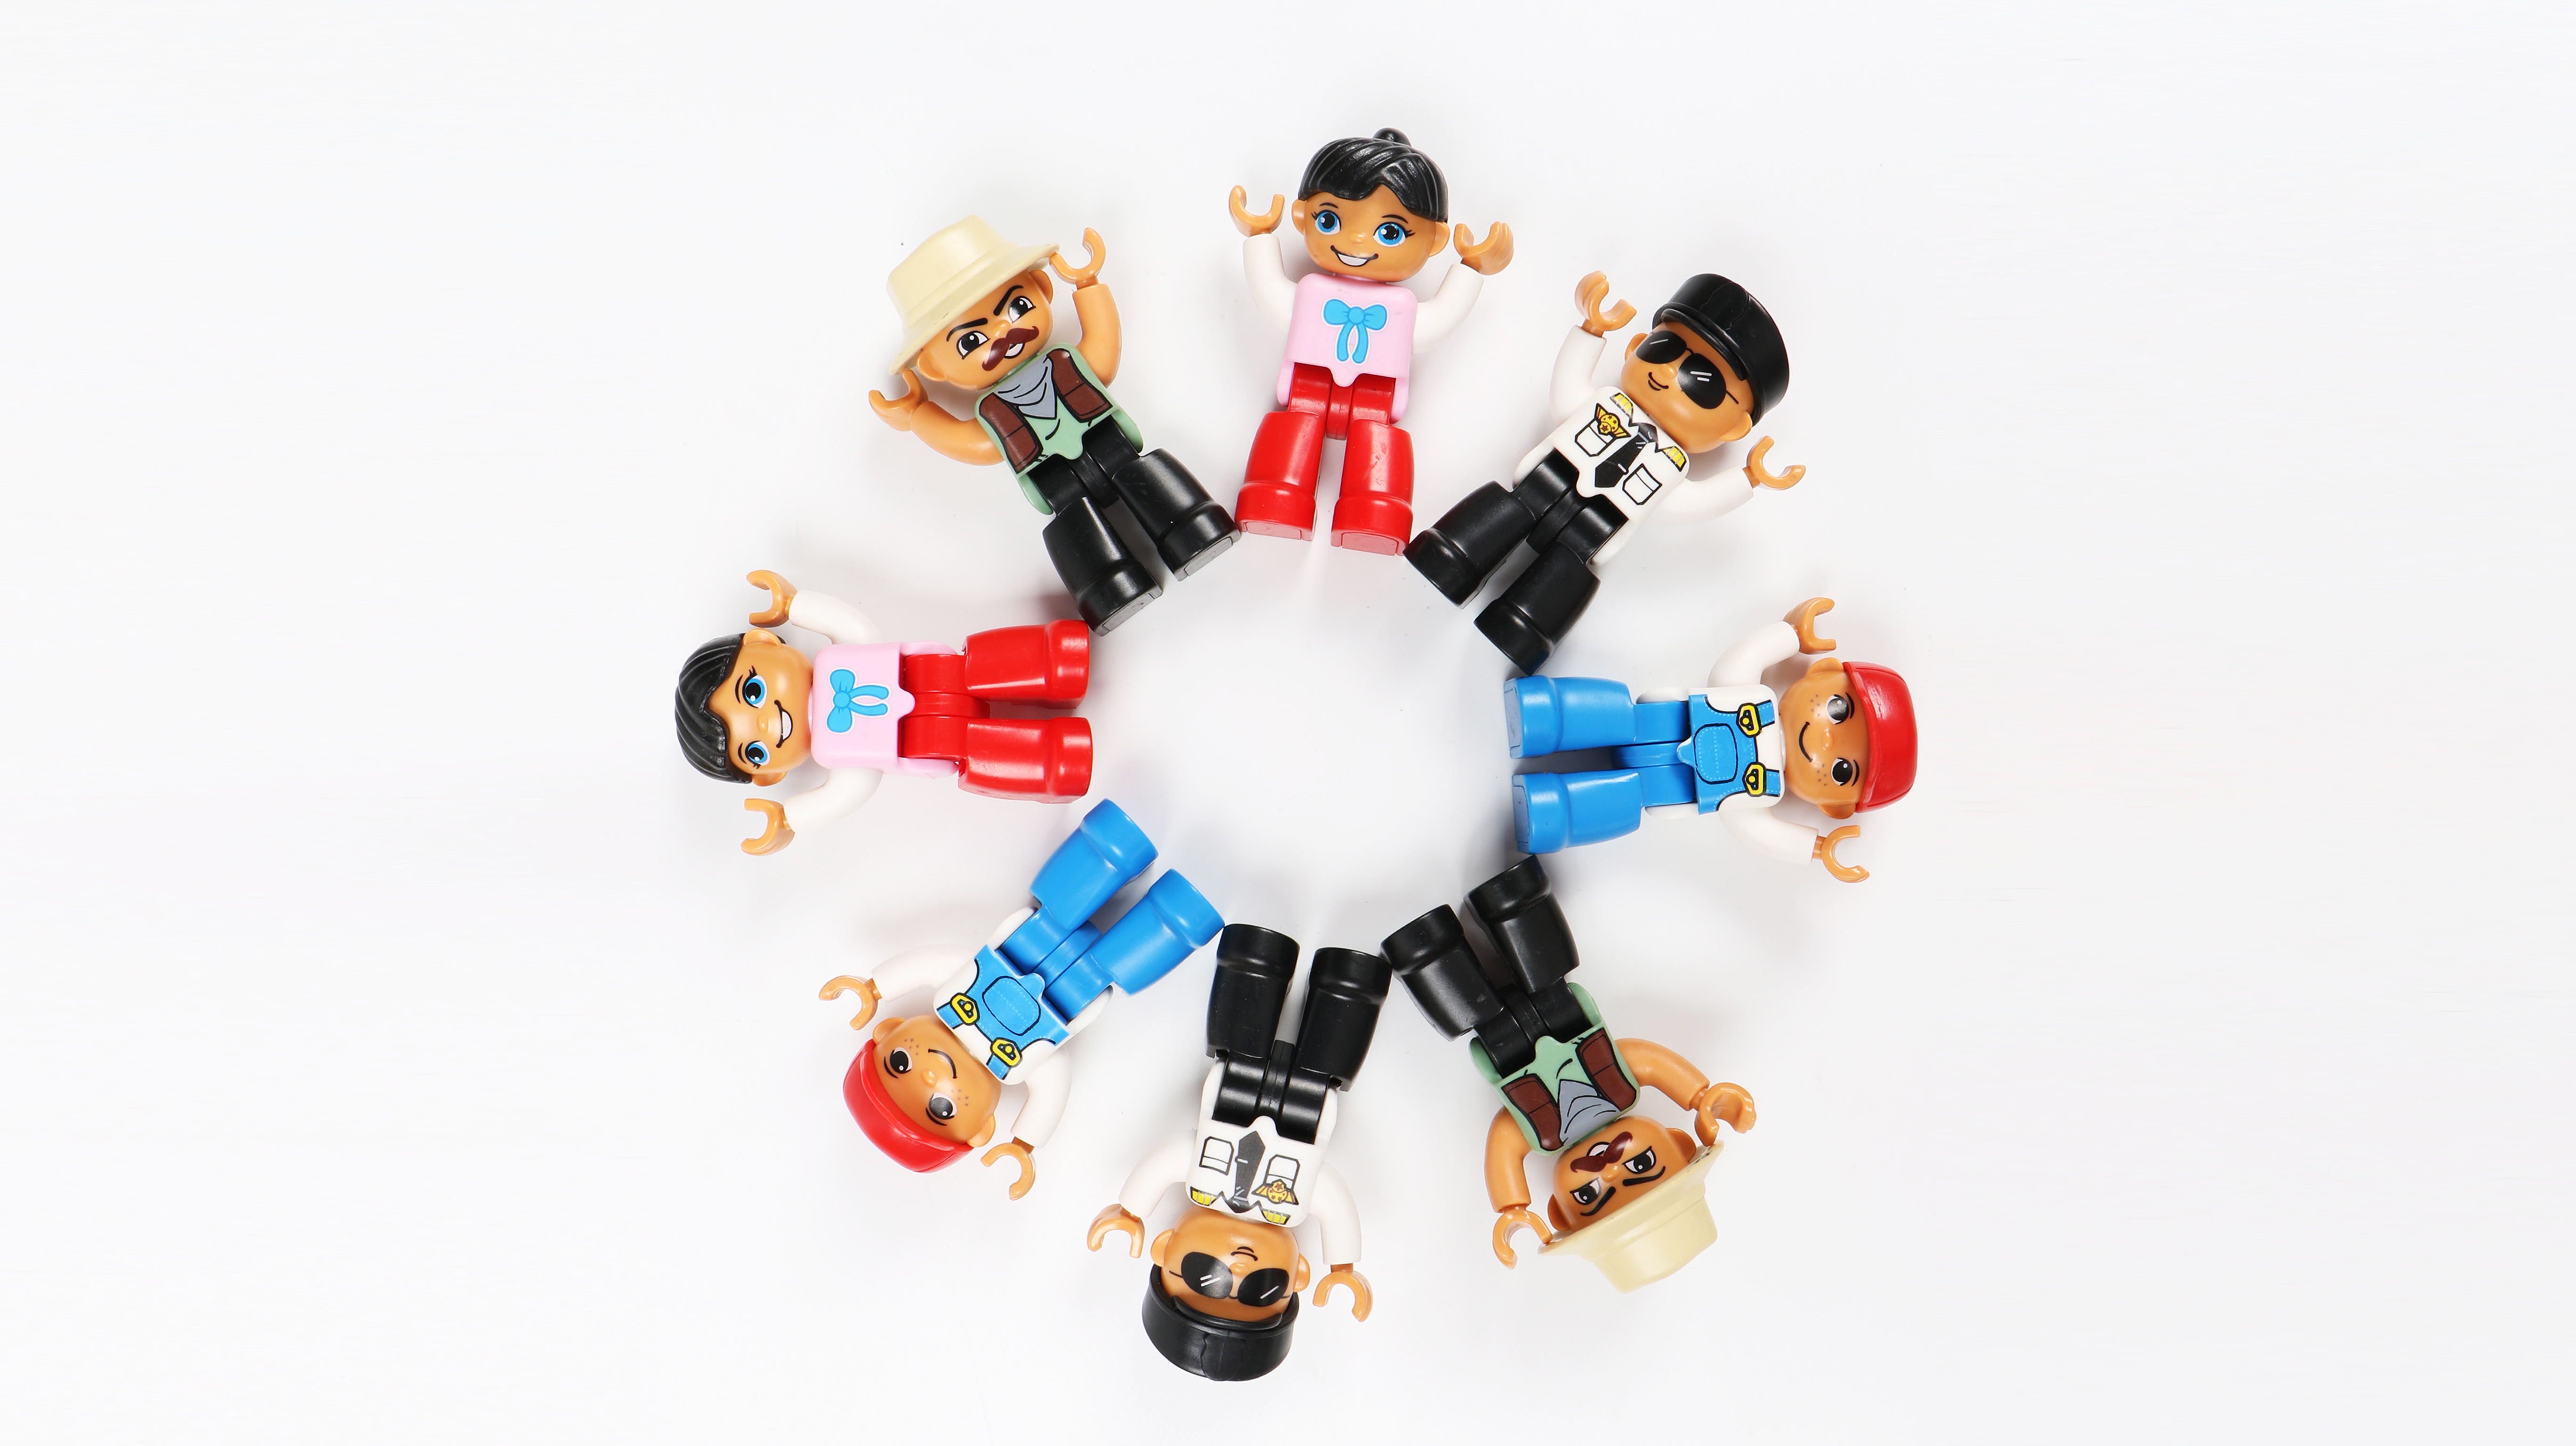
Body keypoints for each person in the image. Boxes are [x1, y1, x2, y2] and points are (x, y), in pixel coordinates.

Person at [1383, 857, 1755, 1292]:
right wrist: (1700, 1096)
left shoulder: (1537, 1132)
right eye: (1641, 1164)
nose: (1610, 1169)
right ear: (1678, 1143)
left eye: (1589, 1194)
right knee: (1545, 962)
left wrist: (1511, 1206)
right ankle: (1516, 898)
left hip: (1500, 1044)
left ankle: (1422, 955)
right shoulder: (1621, 1088)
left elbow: (1505, 1144)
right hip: (1562, 1010)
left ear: (1559, 1211)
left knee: (1464, 1005)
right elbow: (1647, 1061)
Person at [817, 800, 1222, 1197]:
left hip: (1034, 934)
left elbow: (931, 963)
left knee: (1064, 897)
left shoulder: (951, 995)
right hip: (1085, 985)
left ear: (887, 1030)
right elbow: (1053, 1086)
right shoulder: (1024, 1065)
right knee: (1128, 960)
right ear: (983, 1130)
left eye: (899, 1064)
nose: (929, 1078)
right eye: (941, 1110)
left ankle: (1108, 846)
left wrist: (874, 988)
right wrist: (1026, 1143)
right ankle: (1180, 920)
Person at [1407, 271, 1804, 672]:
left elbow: (1690, 503)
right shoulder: (1603, 404)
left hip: (1595, 532)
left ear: (1734, 428)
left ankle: (1527, 626)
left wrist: (1748, 480)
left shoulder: (1672, 465)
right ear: (1635, 346)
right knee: (1505, 512)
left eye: (1703, 381)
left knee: (1568, 572)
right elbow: (1567, 390)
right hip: (1541, 484)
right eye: (1664, 349)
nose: (1669, 373)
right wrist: (1590, 331)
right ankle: (1452, 554)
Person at [869, 217, 1236, 632]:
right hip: (1056, 483)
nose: (1004, 333)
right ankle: (1106, 584)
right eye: (971, 341)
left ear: (1042, 289)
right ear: (935, 367)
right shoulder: (993, 412)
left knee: (1143, 473)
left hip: (1111, 445)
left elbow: (1102, 352)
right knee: (1073, 526)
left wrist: (1089, 286)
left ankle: (1191, 523)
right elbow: (973, 443)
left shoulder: (1067, 362)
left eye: (1017, 307)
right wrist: (917, 416)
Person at [1087, 925, 1385, 1380]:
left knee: (1240, 1027)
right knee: (1336, 1042)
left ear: (1165, 1248)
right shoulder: (1301, 1196)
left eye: (1206, 1276)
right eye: (1261, 1290)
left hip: (1233, 1087)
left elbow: (1166, 1161)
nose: (1240, 1269)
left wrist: (1130, 1211)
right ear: (1299, 1276)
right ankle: (1352, 986)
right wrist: (1343, 1265)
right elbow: (1337, 1207)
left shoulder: (1201, 1179)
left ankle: (1253, 961)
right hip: (1312, 1100)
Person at [1227, 128, 1512, 552]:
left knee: (1378, 440)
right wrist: (1259, 239)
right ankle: (1275, 493)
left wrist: (1472, 270)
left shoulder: (1401, 309)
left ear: (1435, 241)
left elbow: (1437, 323)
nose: (1357, 240)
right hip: (1307, 388)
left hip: (1376, 401)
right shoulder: (1312, 293)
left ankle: (1378, 508)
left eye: (1390, 232)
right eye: (1330, 220)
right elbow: (1271, 295)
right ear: (1302, 217)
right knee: (1293, 426)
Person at [673, 570, 1090, 855]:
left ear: (765, 642)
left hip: (947, 670)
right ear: (770, 776)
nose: (766, 723)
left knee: (999, 661)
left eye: (754, 690)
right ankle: (1058, 761)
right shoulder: (843, 760)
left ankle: (1058, 658)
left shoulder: (842, 656)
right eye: (756, 751)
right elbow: (844, 795)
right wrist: (789, 820)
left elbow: (852, 625)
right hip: (949, 746)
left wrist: (793, 605)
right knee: (998, 756)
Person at [1507, 597, 1918, 882]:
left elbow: (1757, 833)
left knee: (1617, 802)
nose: (1826, 743)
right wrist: (1791, 635)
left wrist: (1816, 849)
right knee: (1611, 712)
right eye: (1839, 710)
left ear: (1833, 807)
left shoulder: (1758, 800)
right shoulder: (1751, 695)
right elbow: (1736, 665)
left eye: (1843, 771)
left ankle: (1551, 814)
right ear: (1822, 672)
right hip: (1650, 721)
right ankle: (1543, 711)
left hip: (1660, 790)